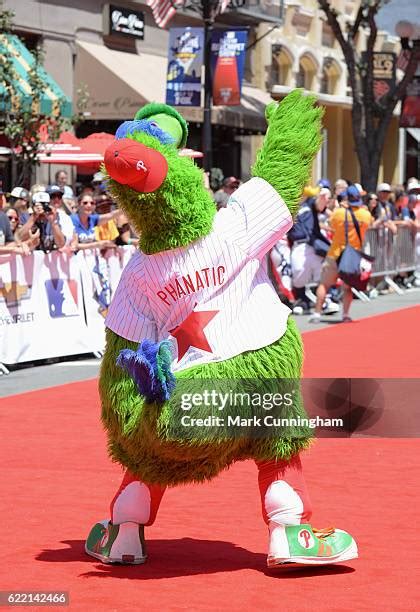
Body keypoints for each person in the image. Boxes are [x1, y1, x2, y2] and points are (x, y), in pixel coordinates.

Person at [309, 185, 372, 323]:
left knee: (324, 284)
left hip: (335, 254)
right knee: (347, 287)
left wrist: (342, 208)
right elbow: (368, 224)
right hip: (352, 256)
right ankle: (346, 315)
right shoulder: (365, 215)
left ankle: (317, 314)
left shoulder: (339, 213)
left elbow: (332, 225)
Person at [288, 188, 338, 314]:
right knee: (299, 273)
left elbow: (319, 207)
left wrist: (322, 198)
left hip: (313, 245)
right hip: (298, 245)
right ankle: (301, 300)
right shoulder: (287, 207)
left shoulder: (310, 203)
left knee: (321, 274)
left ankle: (326, 301)